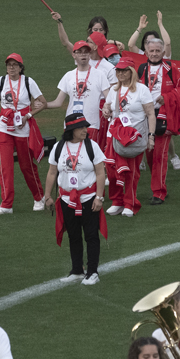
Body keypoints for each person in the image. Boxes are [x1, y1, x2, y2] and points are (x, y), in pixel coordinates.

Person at [0, 54, 47, 215]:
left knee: (26, 166)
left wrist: (28, 115)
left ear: (21, 67)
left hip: (23, 128)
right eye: (9, 65)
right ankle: (6, 204)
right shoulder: (0, 82)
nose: (11, 67)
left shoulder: (28, 82)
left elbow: (43, 102)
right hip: (4, 127)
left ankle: (39, 197)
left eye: (15, 65)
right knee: (5, 167)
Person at [44, 113, 108, 285]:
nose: (85, 130)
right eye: (81, 127)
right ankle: (77, 270)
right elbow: (52, 172)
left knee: (91, 235)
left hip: (88, 198)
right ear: (71, 130)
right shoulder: (58, 147)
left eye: (86, 127)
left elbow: (100, 172)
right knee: (73, 235)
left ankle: (93, 272)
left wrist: (99, 197)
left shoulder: (91, 146)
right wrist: (47, 195)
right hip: (66, 199)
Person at [136, 37, 180, 204]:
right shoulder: (140, 69)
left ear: (163, 52)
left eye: (157, 51)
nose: (154, 54)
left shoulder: (171, 69)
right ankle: (160, 186)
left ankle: (158, 192)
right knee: (150, 154)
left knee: (160, 155)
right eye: (151, 51)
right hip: (144, 117)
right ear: (145, 52)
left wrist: (167, 97)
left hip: (163, 117)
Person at [102, 56, 157, 215]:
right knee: (112, 170)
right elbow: (107, 105)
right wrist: (106, 110)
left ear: (131, 71)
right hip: (114, 135)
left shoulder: (142, 89)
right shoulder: (114, 89)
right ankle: (117, 201)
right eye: (118, 70)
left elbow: (150, 114)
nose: (120, 73)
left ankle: (130, 203)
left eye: (124, 70)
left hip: (133, 136)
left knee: (131, 172)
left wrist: (151, 136)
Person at [45, 41, 113, 150]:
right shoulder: (68, 76)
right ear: (74, 55)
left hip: (91, 124)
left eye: (86, 52)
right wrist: (44, 105)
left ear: (90, 55)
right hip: (71, 123)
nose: (83, 55)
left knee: (90, 157)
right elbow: (58, 102)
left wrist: (107, 106)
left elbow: (109, 97)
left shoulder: (99, 75)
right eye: (80, 52)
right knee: (72, 155)